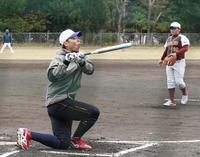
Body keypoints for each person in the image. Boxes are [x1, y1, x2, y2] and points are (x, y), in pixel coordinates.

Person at [17, 29, 100, 150]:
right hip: (58, 102)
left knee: (62, 143)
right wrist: (66, 61)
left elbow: (90, 70)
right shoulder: (59, 58)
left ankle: (28, 134)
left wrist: (81, 61)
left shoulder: (81, 54)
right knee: (93, 113)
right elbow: (53, 77)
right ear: (66, 43)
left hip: (64, 104)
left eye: (78, 38)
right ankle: (76, 139)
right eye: (74, 38)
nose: (78, 40)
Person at [159, 22, 190, 106]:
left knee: (179, 82)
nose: (172, 30)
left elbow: (185, 48)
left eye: (174, 28)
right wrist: (162, 59)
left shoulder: (182, 38)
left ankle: (184, 93)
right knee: (170, 82)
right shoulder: (169, 39)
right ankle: (172, 101)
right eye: (171, 28)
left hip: (179, 62)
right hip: (169, 62)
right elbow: (166, 50)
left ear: (179, 29)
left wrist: (176, 54)